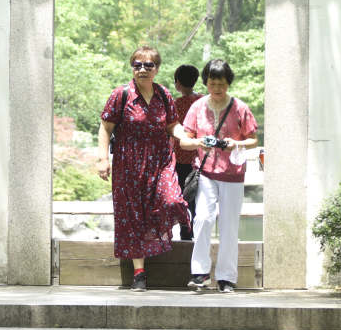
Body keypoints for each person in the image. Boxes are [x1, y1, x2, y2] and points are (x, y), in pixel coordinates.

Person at [96, 45, 190, 291]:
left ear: (157, 69)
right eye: (137, 65)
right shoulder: (122, 94)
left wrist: (186, 136)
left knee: (171, 201)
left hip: (160, 161)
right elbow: (106, 127)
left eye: (149, 65)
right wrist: (102, 159)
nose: (142, 70)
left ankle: (162, 241)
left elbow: (172, 125)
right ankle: (139, 272)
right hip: (128, 164)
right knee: (133, 216)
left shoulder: (163, 95)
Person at [176, 59, 259, 294]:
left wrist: (236, 143)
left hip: (233, 173)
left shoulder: (240, 108)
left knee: (230, 225)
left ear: (228, 83)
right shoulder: (197, 107)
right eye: (212, 83)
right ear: (206, 82)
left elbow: (253, 140)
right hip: (205, 172)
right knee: (202, 218)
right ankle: (199, 273)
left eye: (221, 83)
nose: (217, 88)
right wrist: (197, 142)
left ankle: (226, 277)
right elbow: (184, 140)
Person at [170, 64, 203, 241]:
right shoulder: (203, 101)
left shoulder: (176, 105)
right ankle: (199, 235)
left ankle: (186, 234)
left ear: (177, 84)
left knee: (185, 199)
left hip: (182, 160)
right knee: (199, 201)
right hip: (202, 160)